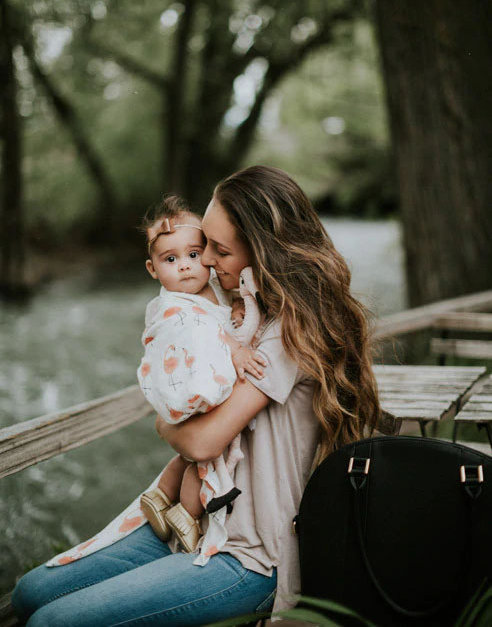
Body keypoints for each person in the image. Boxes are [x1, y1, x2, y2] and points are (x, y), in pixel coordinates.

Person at [11, 165, 380, 626]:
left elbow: (202, 442)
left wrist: (164, 423)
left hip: (248, 554)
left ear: (264, 250)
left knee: (51, 622)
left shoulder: (291, 329)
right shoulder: (239, 308)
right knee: (28, 595)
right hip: (198, 522)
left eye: (218, 250)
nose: (203, 260)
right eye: (204, 244)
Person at [136, 194, 266, 559]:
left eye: (194, 254)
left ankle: (161, 495)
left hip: (201, 383)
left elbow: (223, 310)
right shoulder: (173, 304)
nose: (186, 266)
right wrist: (236, 347)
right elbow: (204, 331)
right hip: (192, 382)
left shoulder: (212, 287)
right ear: (152, 270)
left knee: (198, 449)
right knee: (208, 450)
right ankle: (188, 514)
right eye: (170, 260)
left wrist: (237, 305)